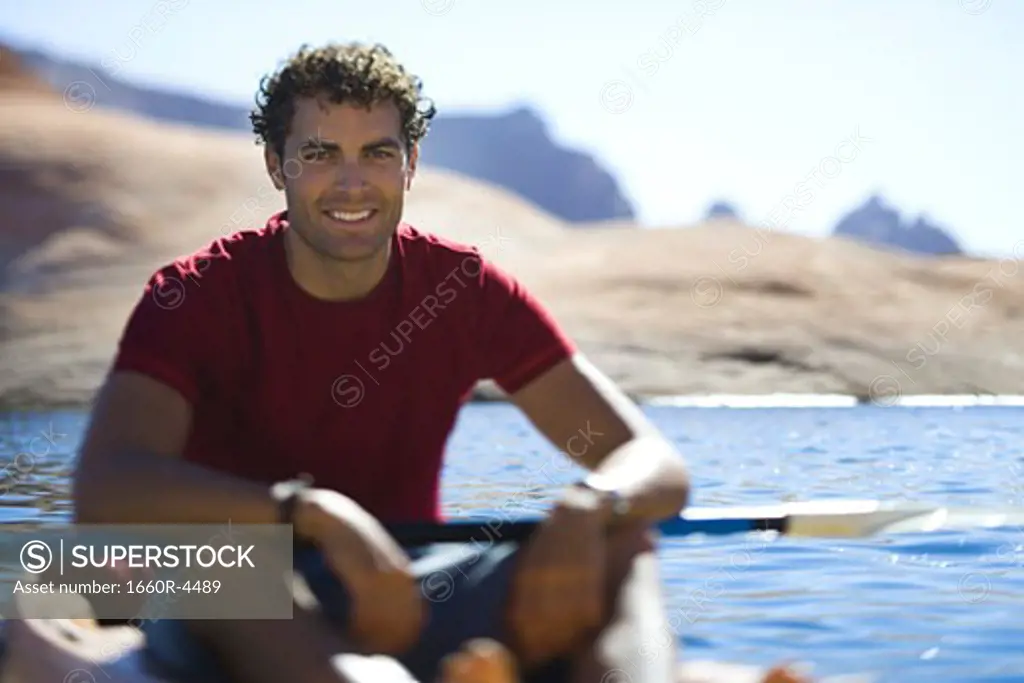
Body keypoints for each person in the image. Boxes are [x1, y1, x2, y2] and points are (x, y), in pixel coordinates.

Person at [71, 42, 810, 683]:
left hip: (408, 585)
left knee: (624, 546)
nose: (352, 182)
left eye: (378, 154)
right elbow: (106, 486)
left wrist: (591, 506)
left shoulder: (462, 290)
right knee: (221, 572)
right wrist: (312, 513)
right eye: (321, 154)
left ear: (411, 163)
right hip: (224, 591)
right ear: (277, 165)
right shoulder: (194, 295)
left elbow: (651, 461)